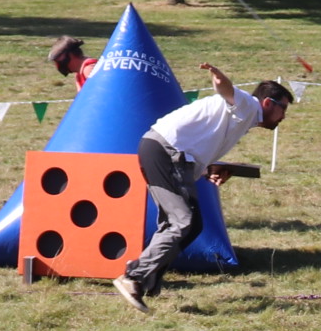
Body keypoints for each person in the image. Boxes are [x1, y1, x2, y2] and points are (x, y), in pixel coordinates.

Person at [112, 63, 290, 312]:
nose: (284, 117)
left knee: (191, 224)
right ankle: (134, 277)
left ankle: (147, 281)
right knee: (182, 222)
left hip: (167, 152)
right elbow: (226, 90)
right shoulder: (248, 105)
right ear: (269, 103)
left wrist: (210, 170)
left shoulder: (241, 117)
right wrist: (218, 77)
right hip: (167, 152)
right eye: (284, 109)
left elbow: (200, 142)